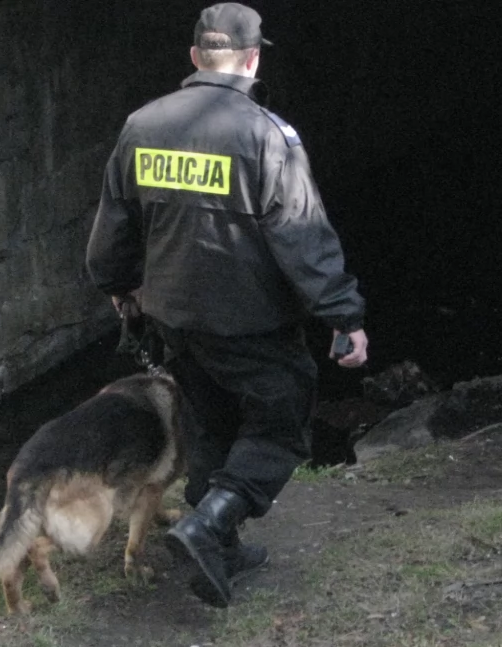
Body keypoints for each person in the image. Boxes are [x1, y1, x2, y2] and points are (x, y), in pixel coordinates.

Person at [85, 2, 368, 608]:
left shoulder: (141, 125)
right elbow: (302, 235)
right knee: (282, 424)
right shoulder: (267, 135)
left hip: (173, 317)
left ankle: (220, 548)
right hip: (250, 320)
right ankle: (210, 525)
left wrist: (119, 285)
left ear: (195, 56)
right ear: (253, 59)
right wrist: (343, 315)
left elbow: (115, 226)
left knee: (208, 424)